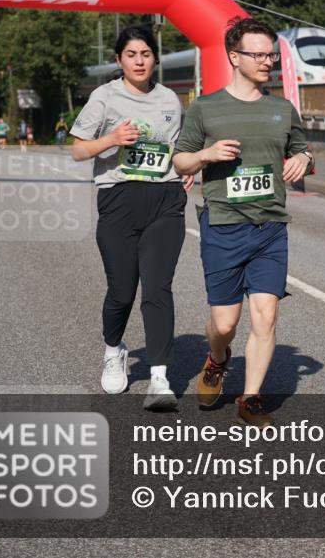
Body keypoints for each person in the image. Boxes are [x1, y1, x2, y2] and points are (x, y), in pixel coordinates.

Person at [173, 16, 313, 427]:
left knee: (266, 315)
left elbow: (303, 150)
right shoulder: (205, 108)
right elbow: (179, 158)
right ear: (235, 57)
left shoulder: (281, 110)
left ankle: (250, 398)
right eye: (258, 54)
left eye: (271, 54)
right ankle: (217, 360)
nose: (267, 60)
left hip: (270, 227)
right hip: (222, 225)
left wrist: (304, 158)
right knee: (225, 323)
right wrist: (206, 156)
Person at [70, 25, 191, 410]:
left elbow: (179, 148)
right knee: (122, 291)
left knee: (157, 289)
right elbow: (77, 151)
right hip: (118, 199)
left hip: (165, 199)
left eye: (146, 54)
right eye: (131, 55)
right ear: (119, 60)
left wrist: (187, 167)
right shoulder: (103, 98)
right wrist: (111, 140)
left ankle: (159, 378)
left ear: (155, 58)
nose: (139, 61)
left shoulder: (170, 99)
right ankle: (113, 349)